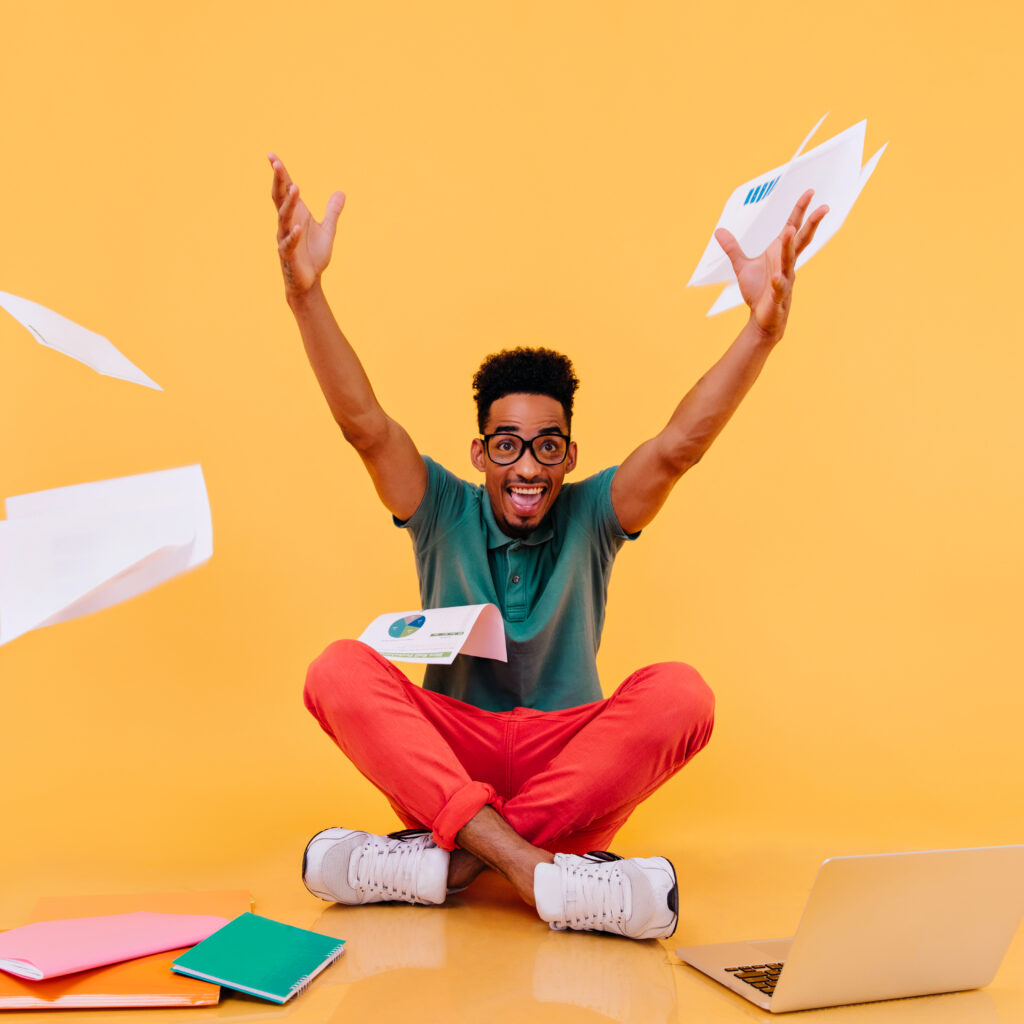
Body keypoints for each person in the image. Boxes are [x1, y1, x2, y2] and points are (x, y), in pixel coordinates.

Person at [270, 153, 826, 941]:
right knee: (335, 669)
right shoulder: (439, 508)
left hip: (569, 772)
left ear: (568, 453)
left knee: (683, 694)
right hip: (449, 765)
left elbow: (677, 446)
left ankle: (452, 865)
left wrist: (759, 335)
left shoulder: (595, 512)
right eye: (506, 445)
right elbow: (365, 424)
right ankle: (538, 873)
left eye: (546, 446)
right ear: (477, 452)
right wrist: (305, 296)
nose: (527, 467)